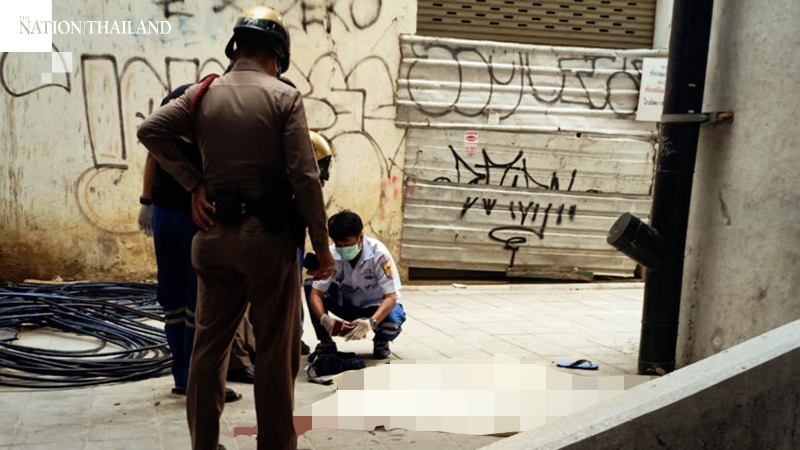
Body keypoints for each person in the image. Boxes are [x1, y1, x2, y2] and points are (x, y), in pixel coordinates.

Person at [137, 5, 334, 450]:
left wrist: (194, 184)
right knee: (274, 351)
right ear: (278, 54)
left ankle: (204, 444)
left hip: (211, 240)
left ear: (235, 47)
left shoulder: (203, 93)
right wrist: (321, 247)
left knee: (208, 350)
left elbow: (151, 131)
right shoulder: (285, 97)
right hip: (268, 243)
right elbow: (305, 177)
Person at [138, 84, 251, 397]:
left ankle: (187, 378)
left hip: (172, 214)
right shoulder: (211, 111)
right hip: (186, 216)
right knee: (191, 300)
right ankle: (194, 380)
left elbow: (153, 151)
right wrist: (147, 201)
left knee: (182, 299)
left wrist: (148, 202)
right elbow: (153, 154)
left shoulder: (191, 107)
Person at [306, 210, 406, 360]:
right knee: (309, 285)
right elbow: (316, 293)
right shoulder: (333, 254)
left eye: (347, 243)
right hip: (348, 304)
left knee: (392, 322)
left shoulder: (379, 254)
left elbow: (390, 297)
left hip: (376, 306)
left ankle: (381, 342)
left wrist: (370, 322)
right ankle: (325, 342)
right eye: (338, 244)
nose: (342, 248)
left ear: (360, 237)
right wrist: (324, 319)